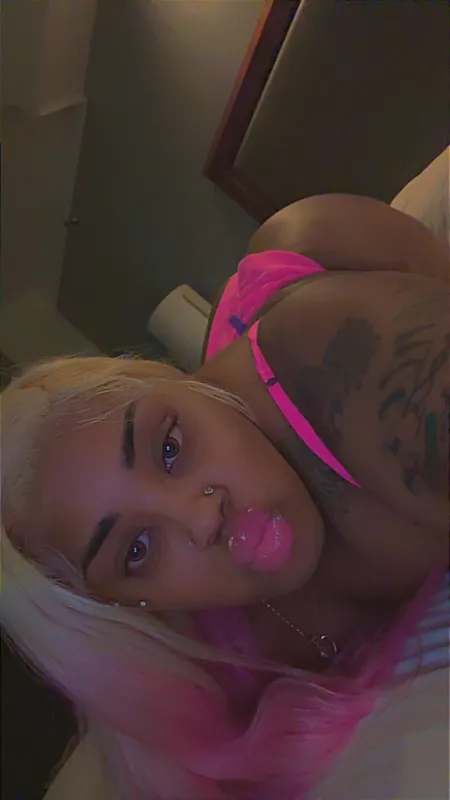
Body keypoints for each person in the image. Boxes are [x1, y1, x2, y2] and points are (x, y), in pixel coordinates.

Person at [1, 192, 448, 800]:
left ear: (184, 386)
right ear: (130, 605)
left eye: (169, 448)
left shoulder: (336, 352)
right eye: (136, 550)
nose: (201, 515)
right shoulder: (209, 651)